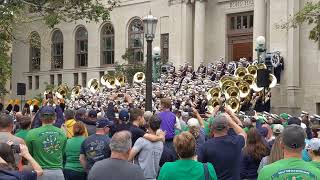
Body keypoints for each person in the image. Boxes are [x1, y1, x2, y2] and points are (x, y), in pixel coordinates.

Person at [198, 107, 246, 180]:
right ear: (227, 128)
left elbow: (199, 165)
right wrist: (231, 122)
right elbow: (243, 133)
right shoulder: (236, 141)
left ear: (213, 128)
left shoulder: (205, 146)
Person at [25, 106, 67, 180]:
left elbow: (29, 153)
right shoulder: (62, 133)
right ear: (54, 117)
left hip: (39, 172)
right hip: (58, 173)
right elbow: (62, 152)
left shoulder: (31, 133)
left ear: (40, 117)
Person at [129, 115, 164, 180]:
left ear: (149, 125)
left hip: (140, 177)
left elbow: (129, 158)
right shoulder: (161, 143)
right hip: (153, 177)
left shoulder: (141, 141)